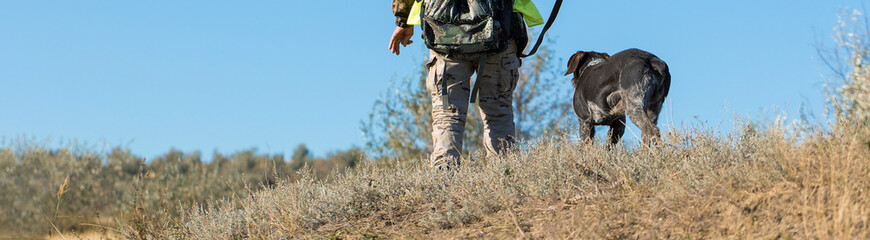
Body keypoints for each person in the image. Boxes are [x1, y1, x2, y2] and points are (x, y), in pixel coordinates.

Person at [389, 0, 540, 169]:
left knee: (447, 113)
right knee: (498, 112)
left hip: (445, 35)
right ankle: (504, 177)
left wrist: (403, 21)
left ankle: (444, 179)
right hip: (500, 29)